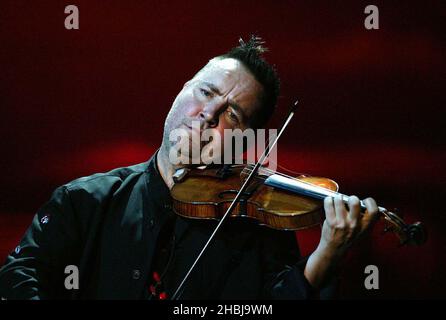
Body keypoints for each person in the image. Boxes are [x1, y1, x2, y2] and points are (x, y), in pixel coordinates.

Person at [0, 36, 378, 300]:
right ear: (182, 90)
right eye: (205, 92)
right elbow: (17, 276)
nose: (207, 115)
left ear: (244, 142)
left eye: (231, 113)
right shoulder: (83, 202)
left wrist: (325, 257)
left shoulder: (260, 231)